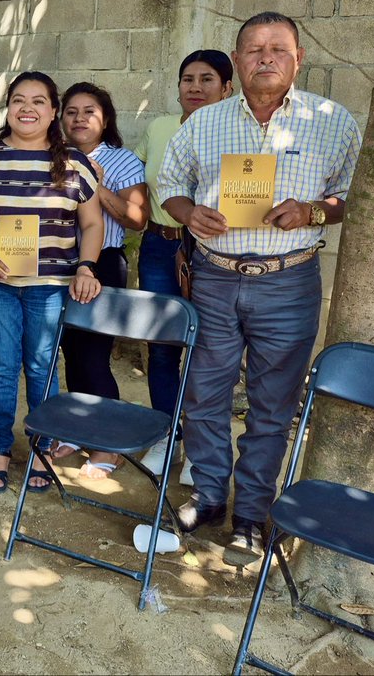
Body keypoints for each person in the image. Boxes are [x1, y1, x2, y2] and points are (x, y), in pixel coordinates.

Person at [157, 11, 361, 564]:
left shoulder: (331, 120)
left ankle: (250, 512)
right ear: (238, 60)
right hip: (216, 280)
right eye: (253, 49)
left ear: (297, 59)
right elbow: (171, 186)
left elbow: (352, 195)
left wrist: (314, 209)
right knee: (204, 394)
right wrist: (189, 213)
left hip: (288, 281)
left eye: (278, 48)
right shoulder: (204, 122)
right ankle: (208, 495)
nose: (265, 57)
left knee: (272, 405)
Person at [0, 71, 104, 494]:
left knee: (42, 367)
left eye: (38, 101)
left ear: (53, 111)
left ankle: (41, 448)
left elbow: (92, 224)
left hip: (51, 285)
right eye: (19, 100)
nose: (27, 109)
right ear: (8, 108)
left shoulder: (75, 164)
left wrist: (86, 266)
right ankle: (0, 448)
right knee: (2, 368)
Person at [135, 50, 233, 484]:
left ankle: (200, 447)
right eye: (187, 79)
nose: (194, 87)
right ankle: (165, 436)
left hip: (214, 254)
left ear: (227, 88)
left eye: (206, 79)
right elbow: (136, 178)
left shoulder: (238, 134)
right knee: (162, 347)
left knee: (210, 353)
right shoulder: (158, 128)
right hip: (160, 245)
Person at [54, 81, 148, 479]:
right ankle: (78, 430)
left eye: (89, 111)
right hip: (57, 265)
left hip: (102, 263)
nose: (79, 118)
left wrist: (95, 181)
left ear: (104, 119)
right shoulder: (53, 156)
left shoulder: (123, 159)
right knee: (71, 353)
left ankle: (108, 444)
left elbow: (136, 218)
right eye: (71, 111)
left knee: (93, 355)